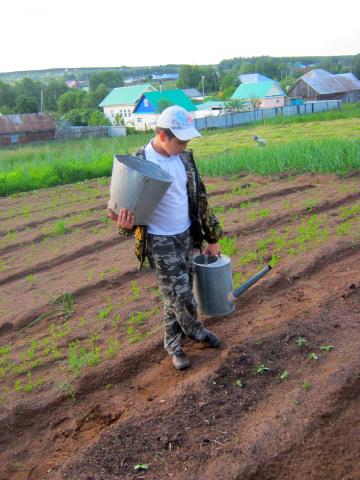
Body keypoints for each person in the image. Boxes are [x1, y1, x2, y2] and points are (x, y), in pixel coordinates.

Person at [109, 105, 222, 370]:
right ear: (162, 135)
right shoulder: (137, 162)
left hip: (186, 236)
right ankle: (198, 332)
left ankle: (174, 346)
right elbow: (119, 211)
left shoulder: (185, 159)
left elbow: (200, 199)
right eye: (180, 141)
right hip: (160, 241)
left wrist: (211, 237)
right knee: (181, 296)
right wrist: (123, 224)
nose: (185, 145)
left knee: (173, 296)